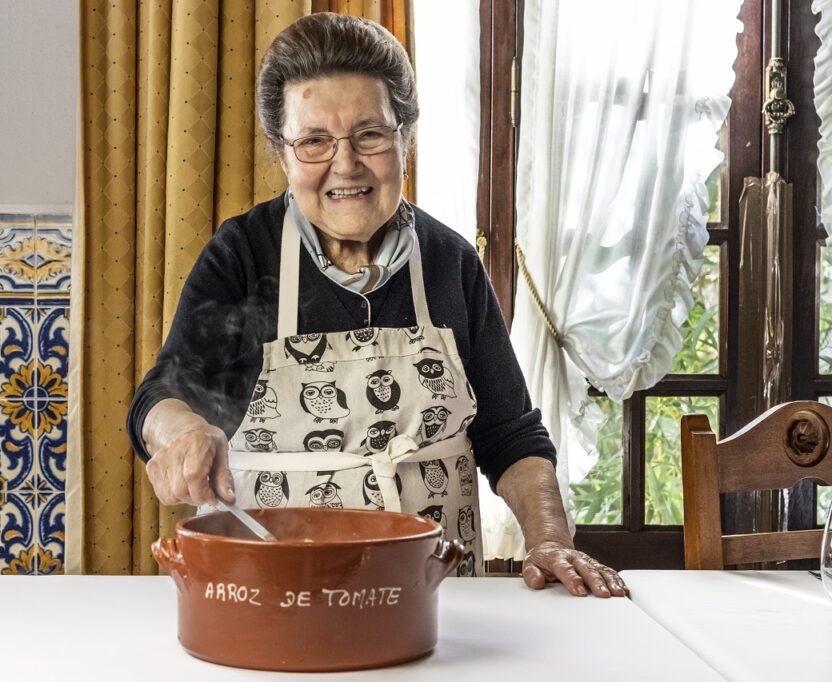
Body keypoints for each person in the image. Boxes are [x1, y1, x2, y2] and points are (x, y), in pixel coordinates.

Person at [127, 12, 626, 596]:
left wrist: (550, 540)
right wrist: (180, 432)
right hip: (273, 593)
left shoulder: (449, 262)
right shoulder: (243, 254)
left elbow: (510, 436)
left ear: (405, 139)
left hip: (434, 595)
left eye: (370, 135)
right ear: (282, 155)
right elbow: (161, 397)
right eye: (314, 141)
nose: (346, 165)